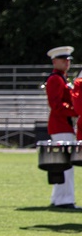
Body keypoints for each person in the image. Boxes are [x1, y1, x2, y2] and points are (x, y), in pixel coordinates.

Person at [45, 46, 76, 209]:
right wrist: (76, 110)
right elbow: (56, 104)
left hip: (63, 125)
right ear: (54, 61)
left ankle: (59, 198)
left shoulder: (62, 78)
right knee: (66, 165)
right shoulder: (55, 79)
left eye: (68, 60)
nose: (67, 63)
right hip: (61, 125)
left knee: (63, 164)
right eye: (63, 60)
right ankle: (64, 200)